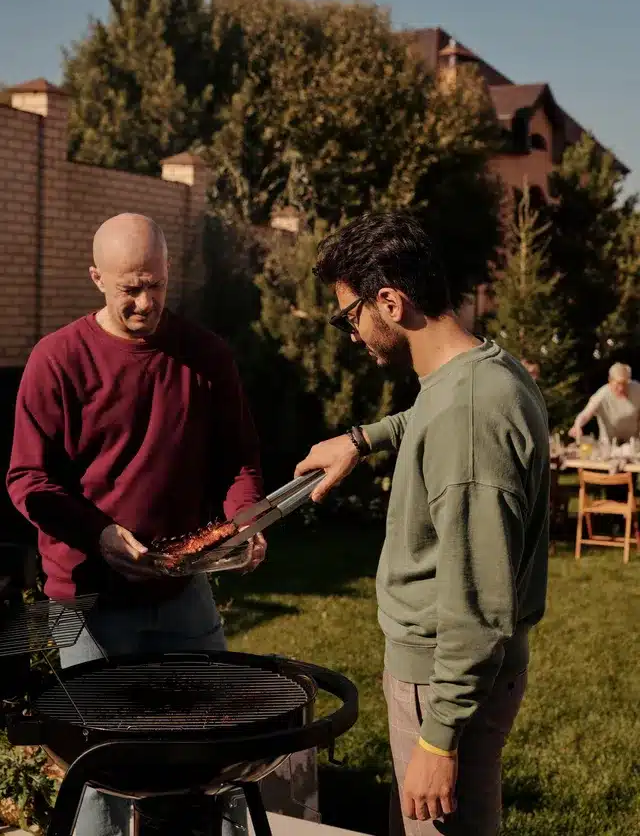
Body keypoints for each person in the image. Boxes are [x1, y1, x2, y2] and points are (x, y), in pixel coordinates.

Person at [6, 213, 266, 836]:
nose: (144, 302)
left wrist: (247, 520)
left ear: (169, 273)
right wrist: (98, 533)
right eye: (129, 288)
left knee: (215, 754)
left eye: (154, 285)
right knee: (102, 770)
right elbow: (27, 480)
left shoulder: (205, 356)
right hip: (85, 599)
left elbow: (239, 460)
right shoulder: (57, 360)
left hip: (183, 589)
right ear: (97, 277)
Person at [295, 212, 550, 836]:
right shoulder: (483, 371)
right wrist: (362, 439)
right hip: (452, 677)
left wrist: (439, 740)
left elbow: (479, 604)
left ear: (390, 301)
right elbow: (429, 418)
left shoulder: (466, 418)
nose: (351, 333)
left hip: (444, 679)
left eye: (349, 315)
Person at [569, 362, 640, 445]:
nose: (621, 388)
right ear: (610, 380)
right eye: (618, 384)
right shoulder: (602, 394)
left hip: (633, 444)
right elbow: (586, 414)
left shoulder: (637, 389)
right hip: (608, 446)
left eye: (624, 384)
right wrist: (577, 426)